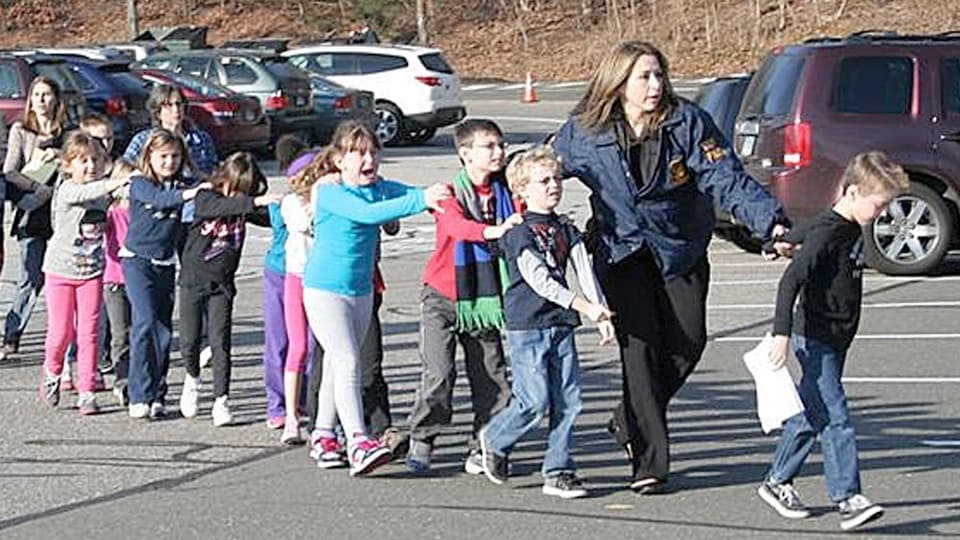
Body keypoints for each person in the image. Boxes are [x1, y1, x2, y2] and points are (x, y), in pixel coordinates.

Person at [553, 41, 789, 493]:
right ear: (619, 83)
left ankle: (629, 418)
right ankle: (649, 463)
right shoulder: (585, 131)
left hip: (679, 247)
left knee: (688, 342)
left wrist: (771, 224)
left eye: (660, 75)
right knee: (639, 352)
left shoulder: (687, 122)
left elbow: (728, 179)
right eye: (644, 77)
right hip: (620, 252)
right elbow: (541, 169)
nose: (656, 85)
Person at [758, 151, 907, 531]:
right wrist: (781, 334)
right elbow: (791, 280)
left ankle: (777, 481)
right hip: (815, 337)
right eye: (879, 205)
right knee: (836, 417)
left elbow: (804, 230)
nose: (883, 213)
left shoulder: (843, 225)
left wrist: (778, 242)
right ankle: (848, 498)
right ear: (854, 193)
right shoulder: (831, 230)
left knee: (812, 413)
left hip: (836, 337)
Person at [301, 120, 451, 476]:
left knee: (340, 366)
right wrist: (421, 199)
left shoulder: (379, 187)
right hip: (324, 289)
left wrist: (438, 193)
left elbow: (402, 195)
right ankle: (358, 441)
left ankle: (323, 435)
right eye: (357, 152)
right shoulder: (332, 193)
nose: (368, 158)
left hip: (361, 289)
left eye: (372, 151)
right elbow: (369, 214)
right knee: (349, 360)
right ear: (339, 159)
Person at [477, 146, 616, 499]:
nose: (553, 185)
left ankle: (558, 470)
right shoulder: (518, 232)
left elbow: (583, 269)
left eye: (556, 178)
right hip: (528, 324)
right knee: (534, 401)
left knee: (568, 400)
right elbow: (538, 278)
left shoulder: (566, 228)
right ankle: (494, 439)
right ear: (522, 190)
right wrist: (584, 306)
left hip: (561, 323)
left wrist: (600, 311)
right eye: (543, 181)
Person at [405, 119, 521, 474]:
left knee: (491, 375)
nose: (498, 152)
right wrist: (494, 230)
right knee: (439, 375)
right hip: (443, 294)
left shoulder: (509, 191)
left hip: (484, 298)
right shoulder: (447, 194)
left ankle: (485, 443)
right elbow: (455, 227)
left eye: (500, 145)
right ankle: (423, 437)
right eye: (489, 146)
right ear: (465, 153)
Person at [178, 152, 278, 427]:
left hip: (222, 285)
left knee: (220, 342)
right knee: (189, 340)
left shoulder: (244, 207)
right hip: (192, 280)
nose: (240, 198)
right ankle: (192, 378)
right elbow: (216, 209)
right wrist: (252, 202)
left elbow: (267, 216)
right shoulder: (206, 196)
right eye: (238, 190)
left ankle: (221, 400)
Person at [38, 131, 129, 414]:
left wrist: (134, 181)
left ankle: (87, 389)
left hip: (91, 272)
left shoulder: (103, 190)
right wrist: (116, 181)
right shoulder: (67, 190)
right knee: (61, 332)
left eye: (95, 160)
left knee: (89, 332)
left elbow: (124, 196)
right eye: (83, 161)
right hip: (60, 271)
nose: (90, 166)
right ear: (68, 165)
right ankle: (53, 370)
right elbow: (87, 192)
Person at [123, 129, 209, 420]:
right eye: (163, 156)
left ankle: (158, 393)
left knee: (162, 331)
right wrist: (190, 193)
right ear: (149, 157)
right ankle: (138, 393)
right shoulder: (139, 183)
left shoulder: (182, 184)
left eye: (175, 156)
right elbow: (160, 200)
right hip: (137, 261)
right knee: (144, 322)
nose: (170, 162)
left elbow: (204, 187)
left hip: (164, 263)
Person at [3, 76, 70, 356]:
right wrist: (35, 186)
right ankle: (12, 333)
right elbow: (9, 171)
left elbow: (79, 166)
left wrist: (58, 159)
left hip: (61, 213)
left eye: (46, 95)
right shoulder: (21, 130)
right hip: (32, 211)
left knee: (62, 278)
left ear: (56, 99)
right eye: (37, 95)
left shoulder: (67, 132)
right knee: (31, 276)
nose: (41, 101)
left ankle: (65, 339)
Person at [261, 134, 309, 432]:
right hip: (282, 273)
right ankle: (277, 404)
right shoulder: (285, 204)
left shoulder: (325, 199)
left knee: (311, 343)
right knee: (281, 341)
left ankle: (304, 399)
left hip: (313, 276)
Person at [279, 148, 321, 443]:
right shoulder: (291, 203)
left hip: (325, 281)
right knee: (299, 346)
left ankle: (322, 413)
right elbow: (304, 224)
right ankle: (291, 416)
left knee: (325, 347)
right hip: (298, 277)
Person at [101, 159, 139, 406]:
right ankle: (122, 380)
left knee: (139, 332)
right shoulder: (110, 213)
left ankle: (139, 379)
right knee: (120, 334)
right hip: (114, 280)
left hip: (138, 277)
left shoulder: (141, 210)